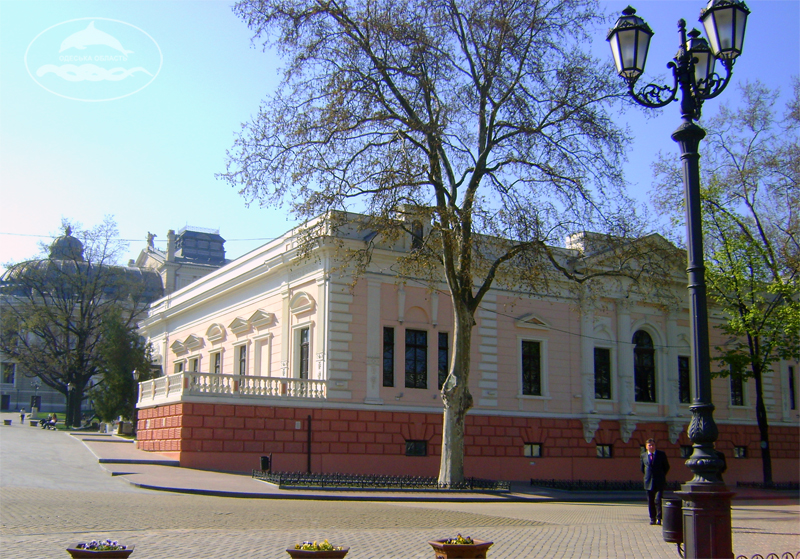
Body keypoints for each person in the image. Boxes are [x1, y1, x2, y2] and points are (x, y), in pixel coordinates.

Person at [641, 438, 670, 525]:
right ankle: (652, 518)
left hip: (659, 482)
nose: (651, 447)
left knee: (658, 500)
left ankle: (659, 518)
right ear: (646, 447)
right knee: (650, 501)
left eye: (653, 445)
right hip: (648, 482)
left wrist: (661, 475)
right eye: (649, 445)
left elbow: (666, 467)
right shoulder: (643, 455)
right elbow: (642, 468)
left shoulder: (661, 454)